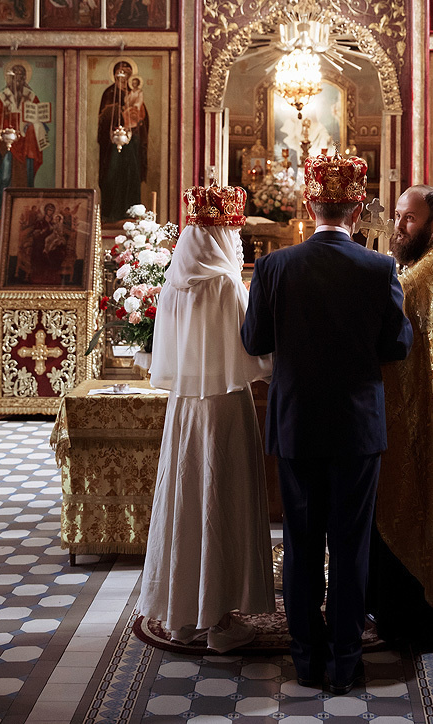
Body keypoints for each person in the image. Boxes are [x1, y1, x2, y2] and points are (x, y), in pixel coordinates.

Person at [241, 150, 412, 693]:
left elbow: (254, 341)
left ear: (308, 207)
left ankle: (306, 658)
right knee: (351, 541)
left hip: (295, 425)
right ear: (357, 211)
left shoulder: (273, 267)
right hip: (358, 427)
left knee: (301, 540)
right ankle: (345, 660)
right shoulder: (380, 267)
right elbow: (397, 345)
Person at [138, 184, 275, 650]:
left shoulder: (174, 282)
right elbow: (255, 354)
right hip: (225, 408)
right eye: (232, 233)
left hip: (185, 409)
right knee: (221, 502)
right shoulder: (225, 283)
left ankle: (180, 616)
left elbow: (166, 356)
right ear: (221, 235)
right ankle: (219, 621)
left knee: (185, 501)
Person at [369, 184, 433, 651]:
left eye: (407, 220)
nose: (397, 227)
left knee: (409, 500)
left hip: (416, 418)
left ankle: (411, 615)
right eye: (395, 216)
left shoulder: (425, 275)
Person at [0, 63, 47, 223]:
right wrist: (5, 120)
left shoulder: (31, 96)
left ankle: (28, 210)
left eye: (22, 76)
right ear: (10, 78)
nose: (19, 79)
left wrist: (32, 124)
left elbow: (41, 119)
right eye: (16, 76)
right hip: (10, 144)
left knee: (27, 178)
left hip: (27, 145)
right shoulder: (3, 97)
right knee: (5, 176)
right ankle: (2, 208)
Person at [97, 60, 149, 223]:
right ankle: (110, 212)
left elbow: (144, 120)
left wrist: (136, 116)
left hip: (132, 144)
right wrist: (117, 111)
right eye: (119, 73)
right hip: (111, 145)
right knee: (111, 175)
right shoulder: (109, 93)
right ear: (114, 75)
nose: (122, 77)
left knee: (131, 175)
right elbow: (103, 117)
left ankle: (131, 212)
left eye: (126, 73)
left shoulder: (134, 92)